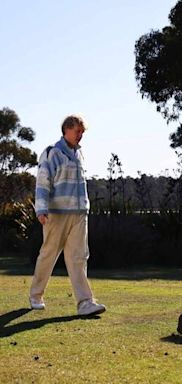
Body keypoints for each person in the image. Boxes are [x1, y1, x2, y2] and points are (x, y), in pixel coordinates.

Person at [29, 115, 106, 316]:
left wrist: (85, 207)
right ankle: (36, 295)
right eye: (77, 131)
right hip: (56, 214)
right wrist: (41, 209)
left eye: (82, 132)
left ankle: (85, 303)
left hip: (79, 214)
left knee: (79, 257)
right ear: (66, 130)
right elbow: (43, 181)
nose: (80, 135)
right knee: (48, 254)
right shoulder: (52, 153)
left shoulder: (80, 155)